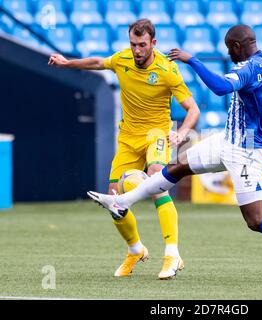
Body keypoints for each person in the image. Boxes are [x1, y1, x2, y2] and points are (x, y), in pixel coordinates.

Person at [87, 24, 262, 283]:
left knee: (256, 220)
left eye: (228, 48)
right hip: (227, 140)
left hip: (246, 150)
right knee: (176, 168)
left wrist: (192, 60)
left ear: (236, 46)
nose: (227, 53)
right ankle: (122, 202)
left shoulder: (247, 70)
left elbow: (220, 87)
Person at [49, 19, 200, 279]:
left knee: (156, 179)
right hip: (128, 137)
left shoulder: (167, 70)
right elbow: (98, 62)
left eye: (142, 45)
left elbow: (193, 109)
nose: (137, 50)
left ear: (153, 43)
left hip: (157, 134)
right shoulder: (123, 59)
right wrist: (67, 62)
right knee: (113, 199)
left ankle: (172, 254)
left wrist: (183, 132)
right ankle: (135, 250)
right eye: (133, 44)